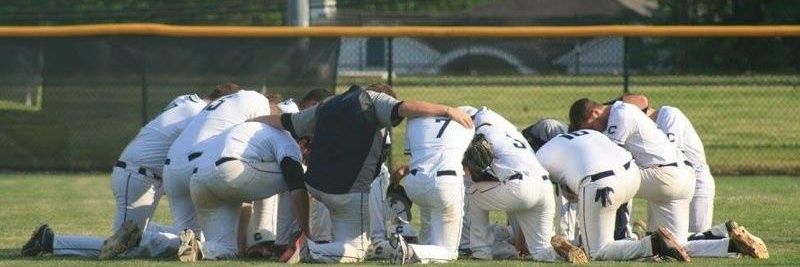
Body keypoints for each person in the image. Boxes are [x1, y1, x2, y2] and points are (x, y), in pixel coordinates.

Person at [250, 83, 473, 263]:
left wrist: (251, 122)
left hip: (317, 186)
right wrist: (447, 110)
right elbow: (405, 108)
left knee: (343, 240)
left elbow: (285, 121)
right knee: (358, 251)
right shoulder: (373, 99)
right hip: (348, 191)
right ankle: (310, 250)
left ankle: (312, 245)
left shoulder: (328, 102)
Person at [20, 86, 232, 259]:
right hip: (139, 175)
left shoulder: (187, 100)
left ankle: (143, 234)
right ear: (221, 103)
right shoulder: (200, 114)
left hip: (142, 172)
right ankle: (49, 241)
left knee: (186, 240)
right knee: (126, 247)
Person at [569, 98, 768, 259]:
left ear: (595, 113)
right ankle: (731, 244)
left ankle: (597, 239)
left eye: (590, 127)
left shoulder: (619, 115)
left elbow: (611, 158)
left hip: (664, 176)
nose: (593, 132)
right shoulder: (624, 111)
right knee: (675, 244)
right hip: (682, 178)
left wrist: (579, 183)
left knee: (604, 183)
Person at [533, 119, 691, 261]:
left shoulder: (539, 156)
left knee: (597, 251)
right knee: (603, 236)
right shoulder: (587, 133)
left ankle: (652, 245)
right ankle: (626, 239)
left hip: (600, 183)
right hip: (633, 174)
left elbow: (540, 201)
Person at [177, 103, 309, 261]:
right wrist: (307, 230)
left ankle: (198, 248)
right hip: (231, 171)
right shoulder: (286, 138)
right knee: (299, 174)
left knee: (227, 249)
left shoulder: (244, 128)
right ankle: (282, 244)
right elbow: (296, 184)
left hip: (199, 179)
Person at [460, 107, 587, 263]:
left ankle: (481, 251)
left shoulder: (482, 133)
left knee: (471, 189)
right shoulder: (510, 132)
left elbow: (472, 171)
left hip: (518, 188)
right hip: (544, 188)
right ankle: (559, 253)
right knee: (541, 251)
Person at [162, 84, 267, 240]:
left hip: (171, 168)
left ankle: (143, 237)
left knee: (187, 239)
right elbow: (257, 134)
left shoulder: (216, 106)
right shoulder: (257, 100)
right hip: (200, 163)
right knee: (223, 246)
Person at [390, 111, 474, 264]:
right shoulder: (467, 121)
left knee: (429, 209)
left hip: (415, 183)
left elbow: (418, 157)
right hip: (446, 184)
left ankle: (421, 247)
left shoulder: (414, 121)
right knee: (449, 252)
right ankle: (410, 250)